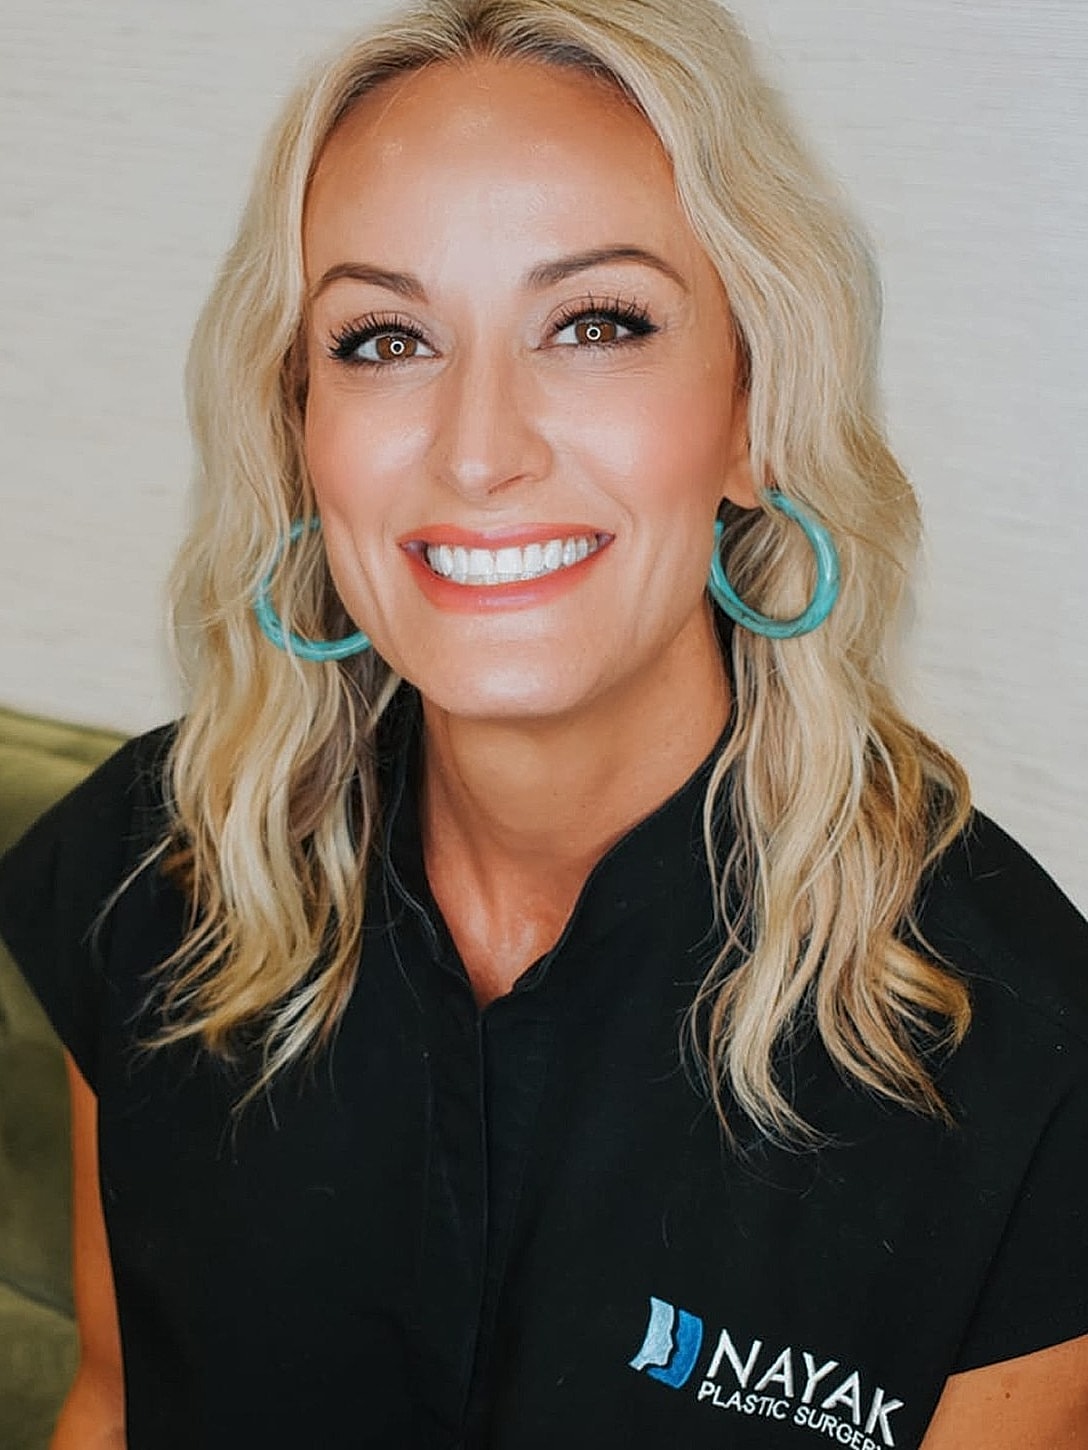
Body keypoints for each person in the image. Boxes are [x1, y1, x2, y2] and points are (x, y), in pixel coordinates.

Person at [1, 0, 1086, 1446]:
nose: (478, 449)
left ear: (755, 411)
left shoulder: (1027, 1061)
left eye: (596, 324)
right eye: (386, 339)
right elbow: (113, 1406)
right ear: (298, 430)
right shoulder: (154, 874)